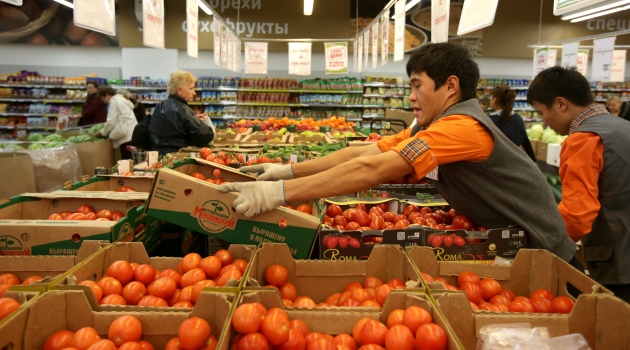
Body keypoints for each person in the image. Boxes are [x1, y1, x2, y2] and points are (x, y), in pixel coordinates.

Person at [219, 43, 578, 267]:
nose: (410, 97)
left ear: (450, 86)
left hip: (543, 253)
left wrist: (276, 195)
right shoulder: (430, 126)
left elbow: (374, 168)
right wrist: (287, 170)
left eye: (416, 85)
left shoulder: (462, 127)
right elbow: (362, 151)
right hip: (508, 240)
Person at [528, 66, 630, 302]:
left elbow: (577, 212)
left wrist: (544, 246)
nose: (544, 122)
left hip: (620, 260)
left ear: (561, 104)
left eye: (542, 112)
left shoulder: (583, 139)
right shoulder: (623, 127)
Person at [148, 70, 214, 155]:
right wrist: (206, 126)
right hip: (179, 158)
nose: (194, 93)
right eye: (191, 88)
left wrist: (193, 119)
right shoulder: (183, 110)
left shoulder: (160, 106)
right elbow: (204, 136)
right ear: (179, 90)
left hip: (160, 156)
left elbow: (171, 128)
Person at [488, 85, 536, 161]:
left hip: (496, 164)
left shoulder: (489, 121)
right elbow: (526, 142)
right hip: (515, 163)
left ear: (494, 99)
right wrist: (534, 161)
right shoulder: (518, 118)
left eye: (491, 97)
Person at [94, 86, 138, 160]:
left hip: (125, 136)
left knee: (127, 161)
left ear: (107, 94)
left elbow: (111, 121)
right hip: (132, 133)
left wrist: (103, 132)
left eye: (102, 98)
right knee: (133, 160)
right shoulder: (122, 100)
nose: (103, 101)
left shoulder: (114, 102)